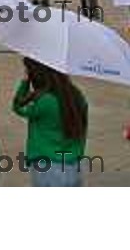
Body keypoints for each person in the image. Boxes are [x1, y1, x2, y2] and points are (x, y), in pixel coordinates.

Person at [13, 57, 88, 187]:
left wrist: (25, 82)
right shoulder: (76, 95)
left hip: (47, 166)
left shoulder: (45, 101)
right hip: (73, 165)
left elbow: (18, 106)